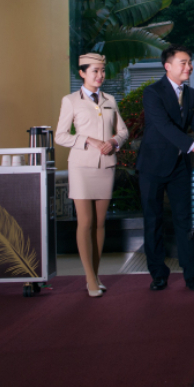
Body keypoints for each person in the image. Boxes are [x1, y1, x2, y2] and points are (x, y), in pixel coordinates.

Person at [137, 46, 194, 292]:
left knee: (186, 220)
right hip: (152, 166)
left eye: (189, 62)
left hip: (179, 166)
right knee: (153, 221)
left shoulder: (190, 94)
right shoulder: (152, 92)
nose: (188, 67)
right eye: (183, 63)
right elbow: (164, 126)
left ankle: (191, 274)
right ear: (167, 66)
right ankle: (158, 274)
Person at [55, 53, 129, 297]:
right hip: (81, 166)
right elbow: (61, 135)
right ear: (82, 73)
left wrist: (113, 142)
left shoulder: (110, 100)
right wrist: (88, 139)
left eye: (102, 70)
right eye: (95, 71)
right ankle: (90, 279)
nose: (100, 75)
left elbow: (123, 132)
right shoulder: (70, 101)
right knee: (85, 222)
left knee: (99, 223)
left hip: (106, 166)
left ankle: (95, 276)